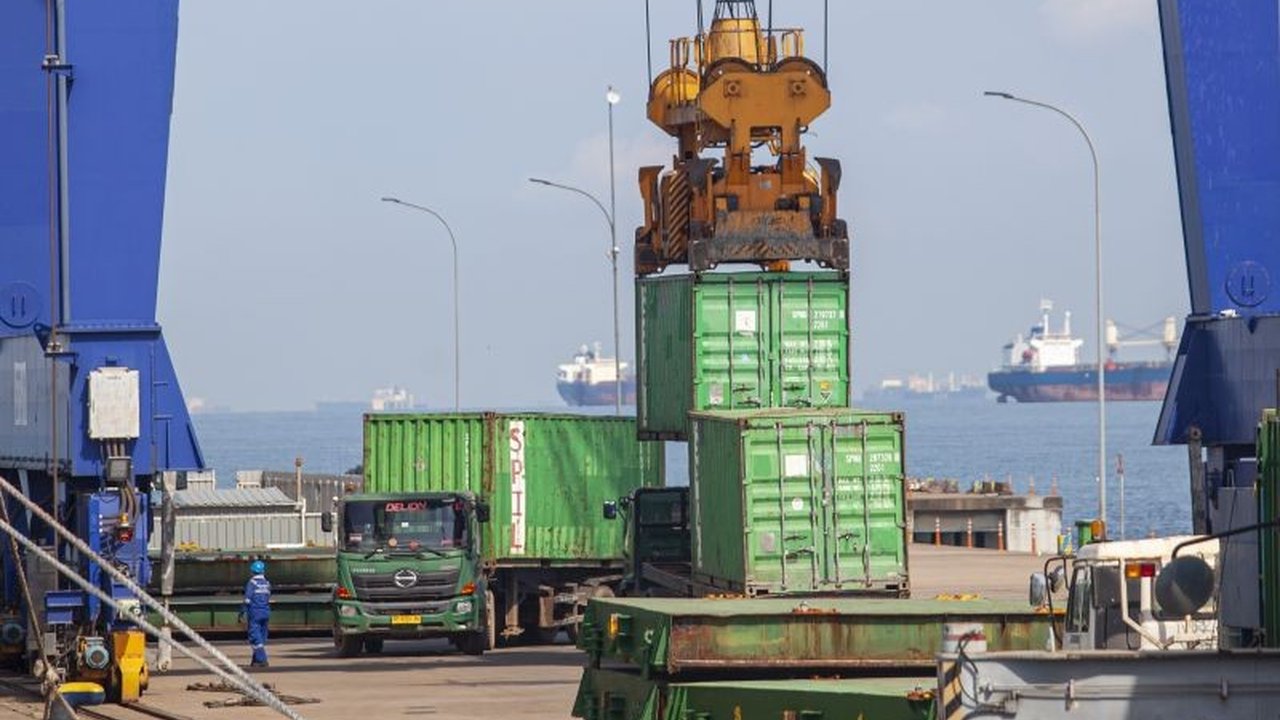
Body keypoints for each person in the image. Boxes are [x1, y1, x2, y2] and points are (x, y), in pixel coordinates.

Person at [239, 559, 271, 668]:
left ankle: (262, 659)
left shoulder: (252, 583)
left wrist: (242, 612)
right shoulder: (267, 583)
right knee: (262, 636)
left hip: (255, 612)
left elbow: (247, 599)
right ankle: (256, 661)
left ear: (252, 571)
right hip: (266, 612)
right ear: (263, 571)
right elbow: (268, 597)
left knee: (254, 637)